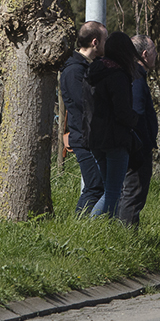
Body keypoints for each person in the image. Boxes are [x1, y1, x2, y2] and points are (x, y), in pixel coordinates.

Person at [86, 32, 142, 219]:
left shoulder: (94, 72)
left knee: (107, 188)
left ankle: (99, 226)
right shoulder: (118, 75)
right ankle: (92, 227)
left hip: (95, 136)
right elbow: (122, 111)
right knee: (113, 192)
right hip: (115, 138)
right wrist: (136, 120)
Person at [61, 21, 107, 214]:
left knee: (99, 185)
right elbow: (85, 104)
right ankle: (81, 223)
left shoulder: (88, 66)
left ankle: (92, 224)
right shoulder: (74, 71)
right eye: (105, 40)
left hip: (92, 136)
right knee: (95, 186)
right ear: (95, 42)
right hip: (84, 138)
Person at [118, 35, 159, 227]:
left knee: (131, 193)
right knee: (134, 193)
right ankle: (126, 234)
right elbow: (137, 114)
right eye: (154, 51)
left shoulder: (133, 74)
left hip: (135, 144)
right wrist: (142, 144)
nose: (156, 55)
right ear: (144, 54)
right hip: (137, 147)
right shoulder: (136, 78)